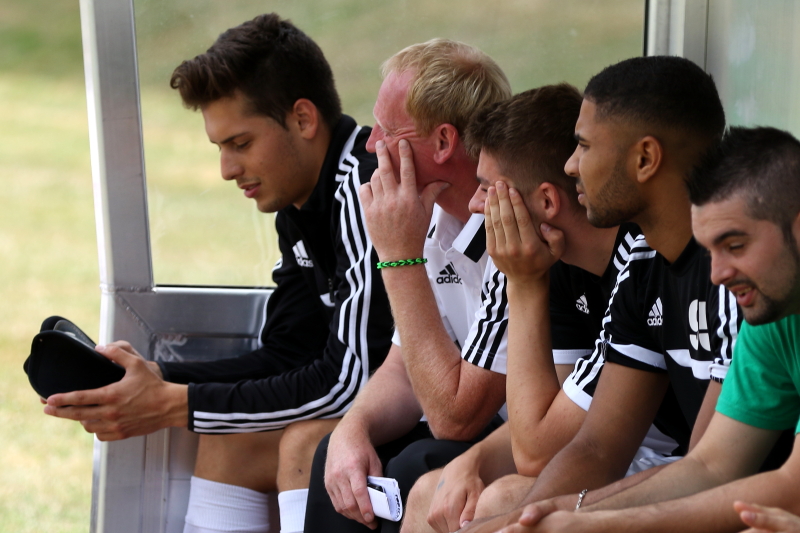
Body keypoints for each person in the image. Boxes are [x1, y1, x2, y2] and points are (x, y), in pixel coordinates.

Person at [42, 13, 394, 533]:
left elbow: (350, 381)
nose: (227, 170)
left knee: (306, 443)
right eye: (220, 148)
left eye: (240, 143)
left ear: (303, 119)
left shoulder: (364, 189)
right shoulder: (298, 205)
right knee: (230, 442)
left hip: (445, 418)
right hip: (383, 407)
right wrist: (160, 378)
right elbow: (288, 354)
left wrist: (174, 405)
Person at [459, 56, 757, 533]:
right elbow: (595, 448)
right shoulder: (642, 262)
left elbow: (708, 472)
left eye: (583, 145)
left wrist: (566, 519)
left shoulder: (732, 272)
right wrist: (521, 521)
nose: (571, 165)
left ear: (645, 159)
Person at [484, 126, 800, 533]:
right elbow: (709, 467)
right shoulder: (772, 316)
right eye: (710, 251)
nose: (718, 275)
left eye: (735, 246)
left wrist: (598, 525)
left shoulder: (762, 300)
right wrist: (562, 515)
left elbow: (789, 487)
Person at [401, 85, 675, 533]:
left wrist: (524, 285)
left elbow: (538, 450)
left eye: (486, 189)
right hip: (624, 453)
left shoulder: (637, 260)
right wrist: (473, 460)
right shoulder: (560, 261)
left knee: (501, 499)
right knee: (432, 490)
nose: (474, 204)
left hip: (673, 464)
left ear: (547, 202)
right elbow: (552, 418)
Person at [301, 39, 513, 533]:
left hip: (528, 440)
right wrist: (352, 429)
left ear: (442, 143)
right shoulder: (431, 216)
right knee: (337, 456)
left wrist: (399, 260)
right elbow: (401, 369)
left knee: (416, 464)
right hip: (483, 427)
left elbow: (456, 418)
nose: (370, 144)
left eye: (387, 131)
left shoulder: (510, 228)